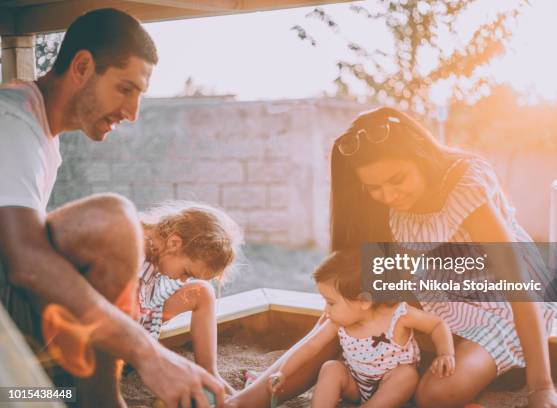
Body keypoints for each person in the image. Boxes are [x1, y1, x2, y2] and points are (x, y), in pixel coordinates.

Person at [227, 106, 557, 408]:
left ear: (420, 155)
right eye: (374, 188)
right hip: (441, 287)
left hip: (501, 298)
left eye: (397, 180)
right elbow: (341, 308)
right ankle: (247, 399)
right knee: (347, 317)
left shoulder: (465, 184)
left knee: (437, 394)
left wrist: (542, 387)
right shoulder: (384, 206)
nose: (388, 195)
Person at [0, 9, 223, 408]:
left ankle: (85, 398)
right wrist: (148, 353)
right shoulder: (11, 122)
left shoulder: (38, 131)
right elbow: (25, 263)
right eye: (125, 89)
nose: (133, 113)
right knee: (114, 223)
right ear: (83, 66)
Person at [267, 250, 455, 408]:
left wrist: (445, 353)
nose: (326, 310)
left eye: (331, 303)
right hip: (356, 385)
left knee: (406, 375)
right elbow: (310, 346)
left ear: (364, 301)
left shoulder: (399, 315)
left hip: (393, 388)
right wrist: (283, 372)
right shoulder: (338, 322)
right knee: (331, 367)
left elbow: (437, 324)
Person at [138, 201, 242, 394]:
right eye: (187, 272)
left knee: (202, 292)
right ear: (175, 243)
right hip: (114, 321)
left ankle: (209, 371)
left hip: (142, 305)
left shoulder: (160, 250)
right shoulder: (133, 252)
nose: (183, 281)